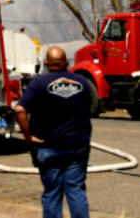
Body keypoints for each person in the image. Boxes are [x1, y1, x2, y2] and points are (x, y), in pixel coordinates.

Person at [14, 45, 93, 218]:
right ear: (66, 62)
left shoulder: (38, 84)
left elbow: (20, 110)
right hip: (77, 146)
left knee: (52, 194)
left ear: (46, 62)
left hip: (48, 146)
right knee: (76, 191)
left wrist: (28, 138)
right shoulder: (83, 82)